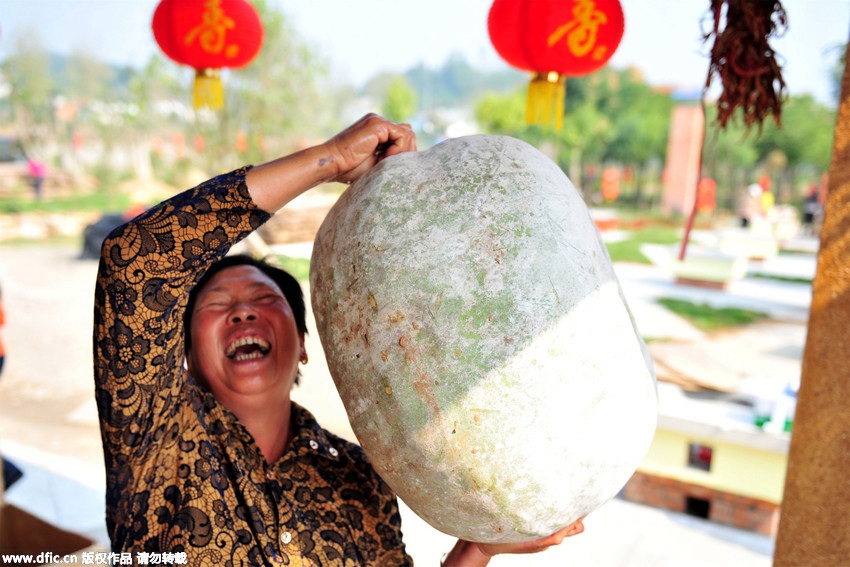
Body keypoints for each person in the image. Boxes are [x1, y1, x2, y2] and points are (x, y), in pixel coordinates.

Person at [93, 114, 584, 566]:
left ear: (305, 343)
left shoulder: (359, 478)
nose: (242, 310)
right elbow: (133, 263)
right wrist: (330, 158)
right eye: (217, 304)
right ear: (184, 354)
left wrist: (477, 546)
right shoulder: (154, 441)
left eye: (265, 300)